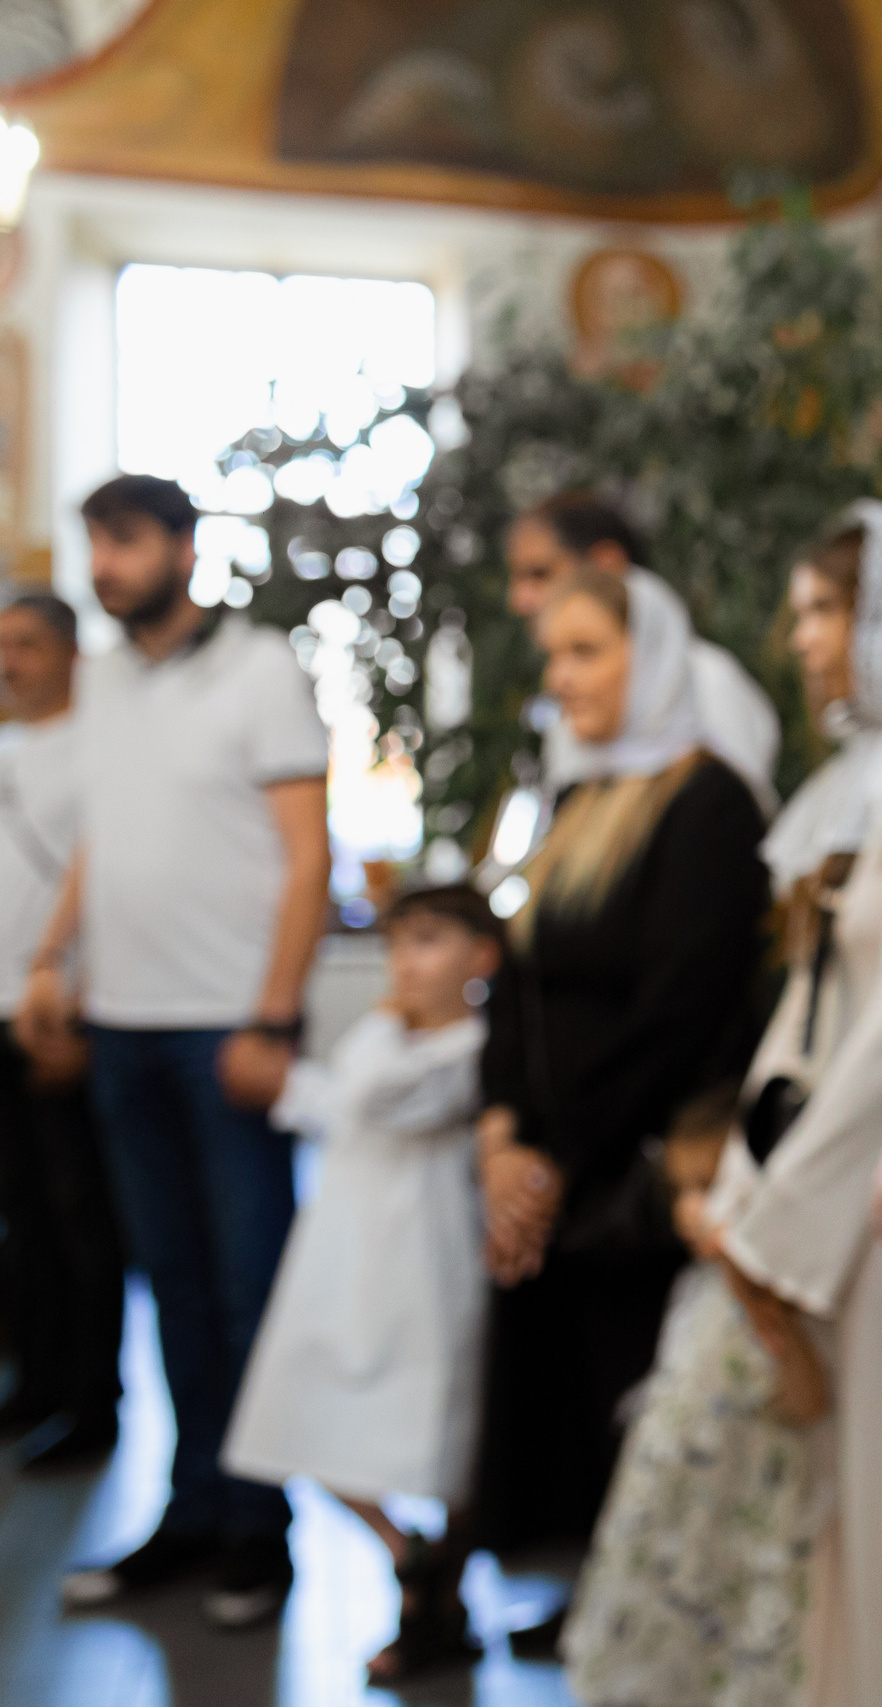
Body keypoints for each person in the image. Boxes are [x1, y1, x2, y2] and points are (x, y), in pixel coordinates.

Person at [557, 503, 882, 1707]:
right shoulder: (863, 773)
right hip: (818, 1180)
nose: (802, 635)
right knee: (829, 1516)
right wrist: (736, 1190)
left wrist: (790, 1218)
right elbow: (810, 1008)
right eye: (802, 610)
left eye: (825, 608)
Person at [24, 475, 331, 1628]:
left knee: (252, 1290)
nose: (105, 564)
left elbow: (308, 856)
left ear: (185, 551)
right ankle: (192, 1510)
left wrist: (274, 1016)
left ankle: (261, 1529)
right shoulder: (103, 686)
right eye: (95, 542)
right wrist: (53, 961)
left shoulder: (260, 672)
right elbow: (106, 839)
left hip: (226, 1029)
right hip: (122, 1025)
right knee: (180, 1293)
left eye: (127, 541)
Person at [471, 565, 769, 1622]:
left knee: (621, 1410)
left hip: (632, 1172)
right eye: (555, 656)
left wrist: (555, 1160)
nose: (562, 678)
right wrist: (500, 1134)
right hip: (553, 1156)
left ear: (656, 657)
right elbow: (513, 976)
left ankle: (625, 1618)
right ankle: (591, 1609)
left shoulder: (708, 803)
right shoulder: (577, 792)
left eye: (587, 650)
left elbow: (679, 1012)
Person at [222, 883, 503, 1682]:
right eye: (397, 944)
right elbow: (344, 1102)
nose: (404, 963)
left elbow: (371, 1093)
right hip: (346, 1261)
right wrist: (291, 1087)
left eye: (427, 942)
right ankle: (406, 1552)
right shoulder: (400, 1045)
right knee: (304, 1412)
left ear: (482, 958)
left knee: (443, 1429)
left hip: (424, 1261)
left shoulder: (467, 1050)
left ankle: (433, 1597)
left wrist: (376, 1021)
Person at [0, 592, 123, 1473]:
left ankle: (95, 1399)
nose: (11, 661)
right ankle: (38, 1381)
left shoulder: (102, 752)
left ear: (71, 653)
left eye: (27, 644)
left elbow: (109, 881)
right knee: (23, 1216)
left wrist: (73, 996)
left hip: (63, 1013)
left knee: (83, 1212)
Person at [504, 491, 783, 816]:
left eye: (540, 574)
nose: (519, 600)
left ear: (607, 565)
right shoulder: (575, 715)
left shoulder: (707, 683)